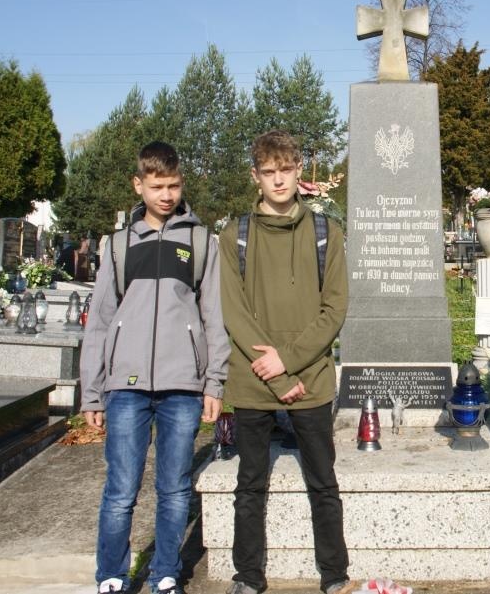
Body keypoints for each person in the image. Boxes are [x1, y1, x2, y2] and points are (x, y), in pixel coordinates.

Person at [80, 141, 230, 594]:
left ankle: (165, 572)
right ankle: (111, 576)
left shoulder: (200, 242)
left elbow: (214, 316)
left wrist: (214, 382)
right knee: (120, 490)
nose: (166, 195)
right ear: (138, 185)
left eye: (174, 186)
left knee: (175, 489)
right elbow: (100, 321)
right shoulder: (118, 246)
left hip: (182, 386)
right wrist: (92, 392)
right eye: (157, 186)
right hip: (125, 387)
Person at [219, 130, 353, 594]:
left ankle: (334, 574)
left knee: (324, 483)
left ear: (300, 172)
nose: (278, 180)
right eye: (269, 172)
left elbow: (334, 308)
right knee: (249, 485)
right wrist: (277, 376)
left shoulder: (326, 233)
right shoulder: (234, 236)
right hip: (254, 379)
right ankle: (247, 575)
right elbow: (234, 312)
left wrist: (289, 363)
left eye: (286, 170)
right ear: (255, 176)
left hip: (310, 378)